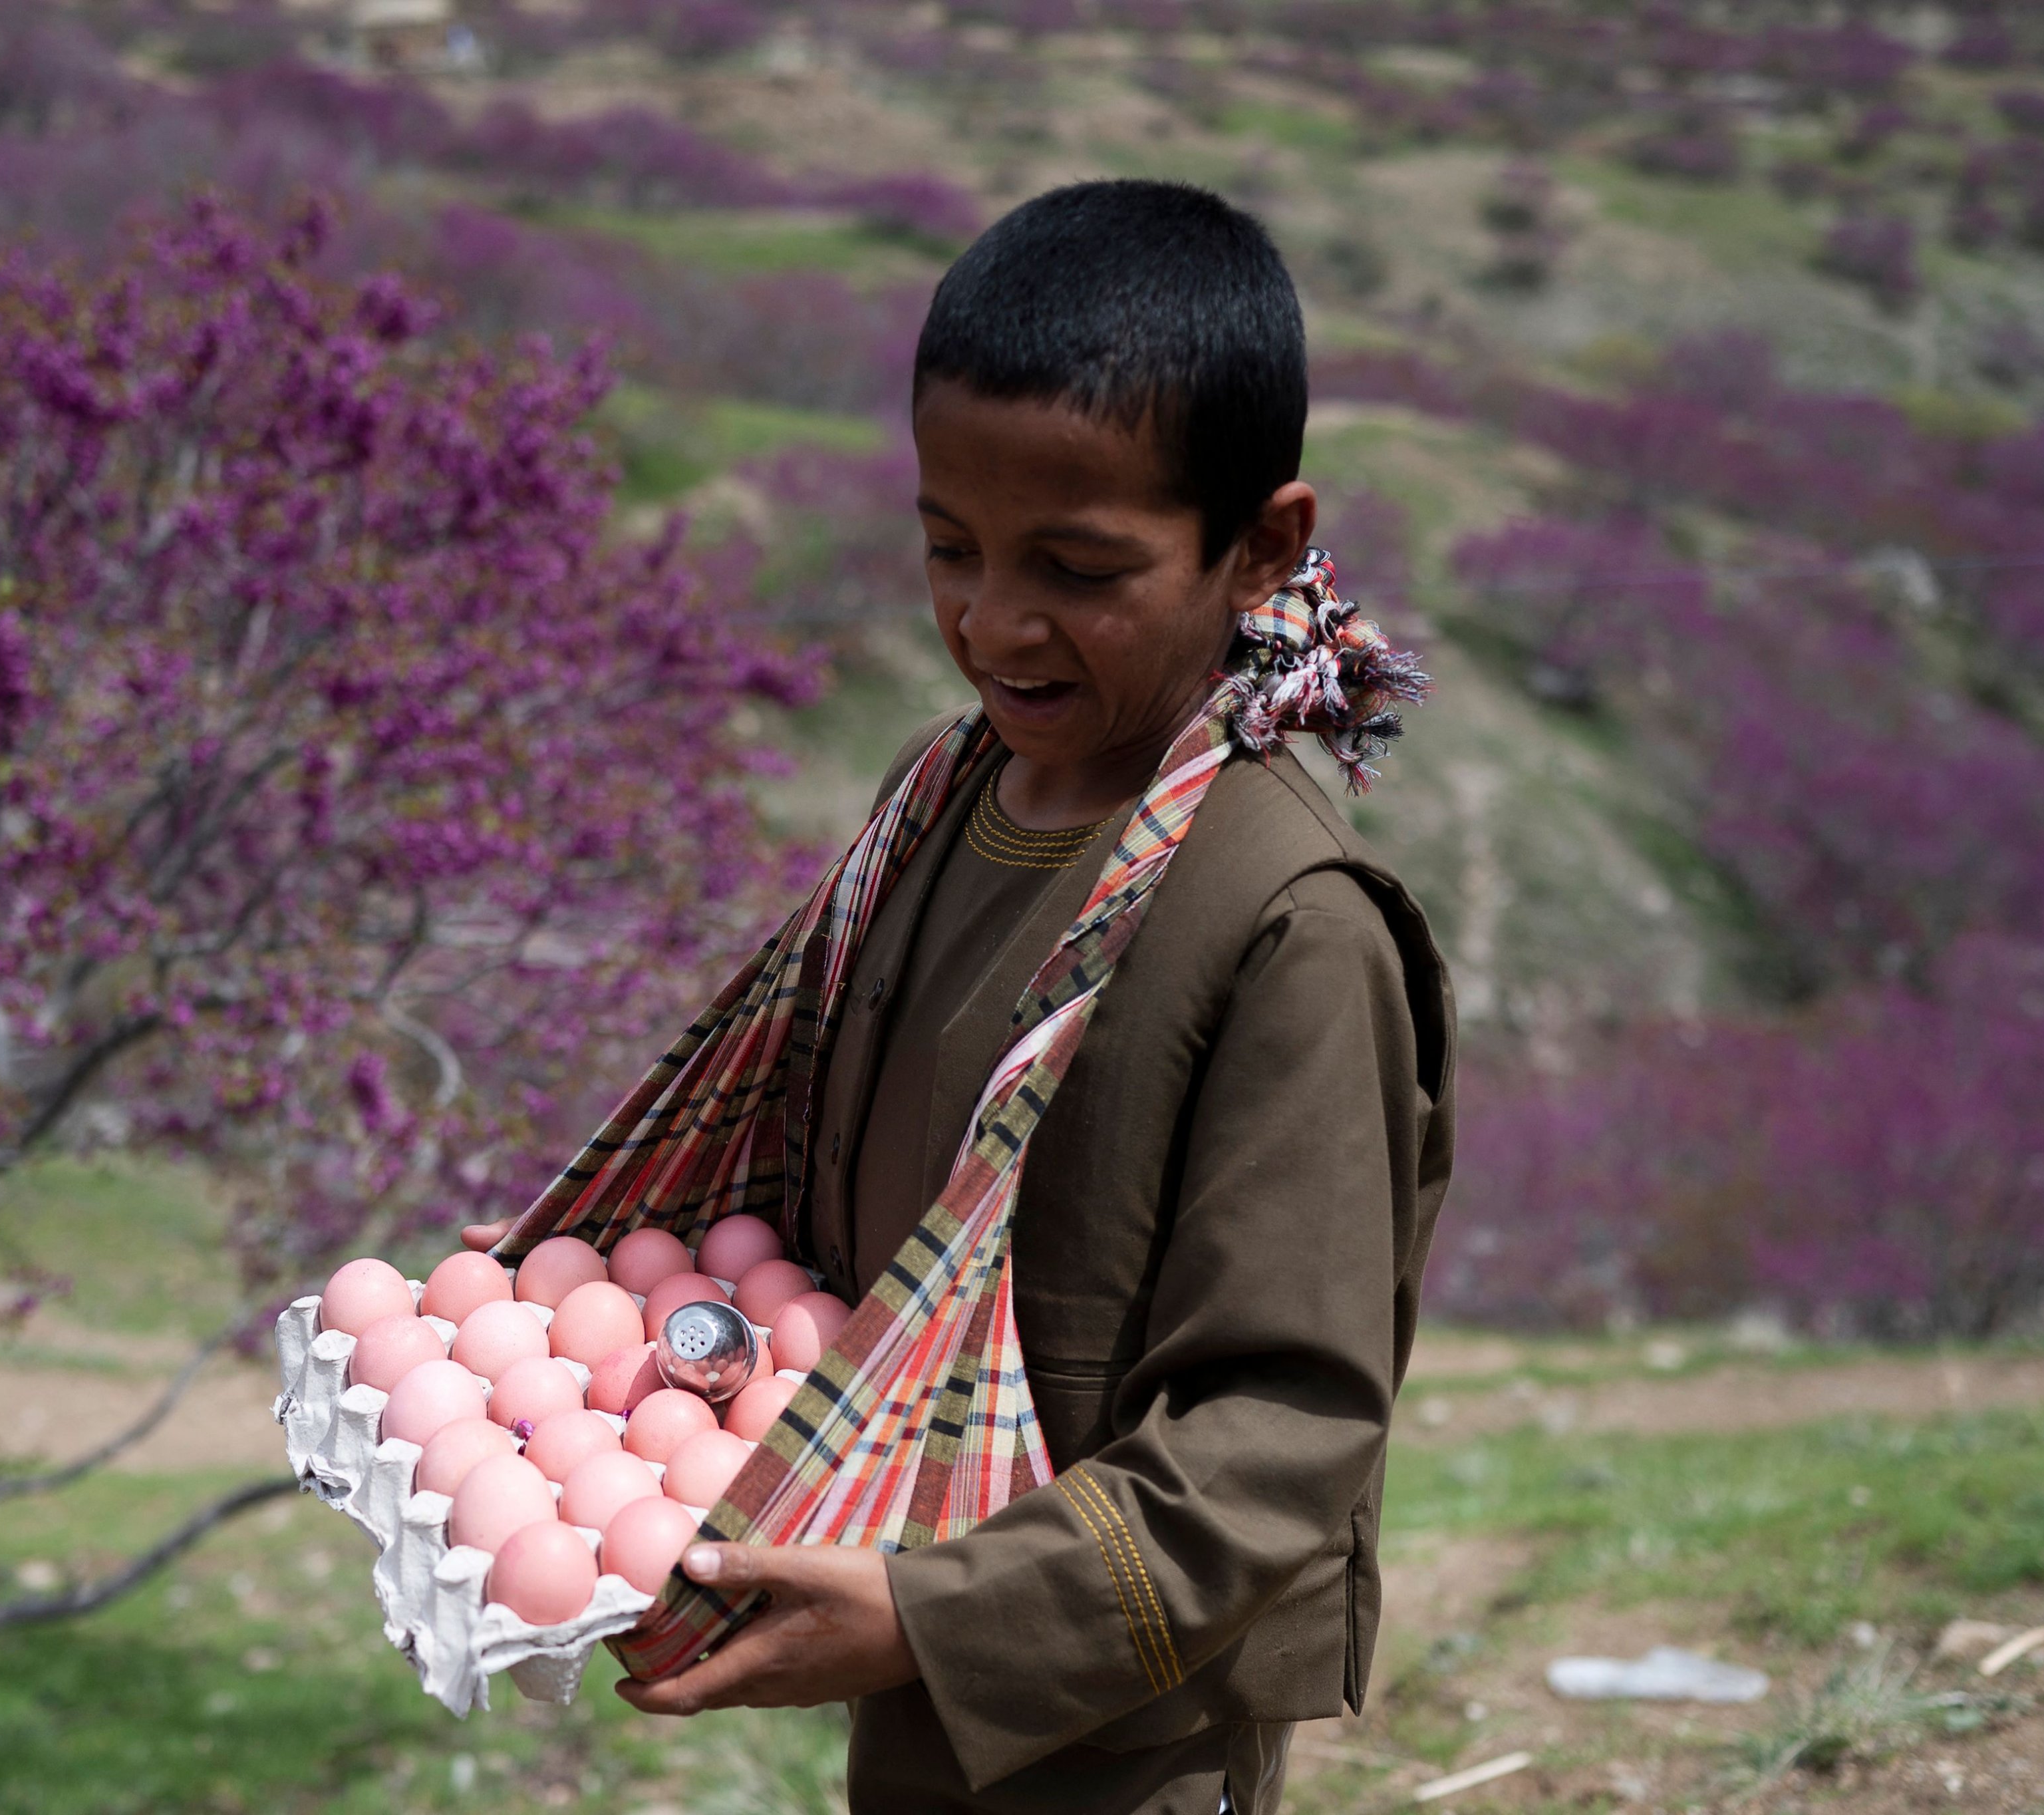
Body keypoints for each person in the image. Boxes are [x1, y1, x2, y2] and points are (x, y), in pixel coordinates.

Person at [477, 178, 1455, 1814]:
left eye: (1075, 567)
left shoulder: (1285, 927)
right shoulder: (952, 797)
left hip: (1118, 1726)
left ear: (1261, 545)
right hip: (930, 1644)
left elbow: (1275, 1426)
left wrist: (934, 1617)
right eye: (949, 546)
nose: (992, 621)